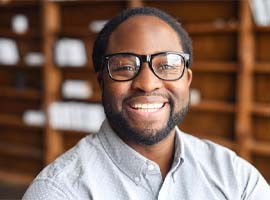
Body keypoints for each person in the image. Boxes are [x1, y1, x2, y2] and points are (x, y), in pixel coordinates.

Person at [23, 7, 270, 200]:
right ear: (102, 82)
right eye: (125, 67)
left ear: (187, 80)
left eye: (166, 65)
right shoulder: (58, 191)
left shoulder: (235, 177)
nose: (148, 84)